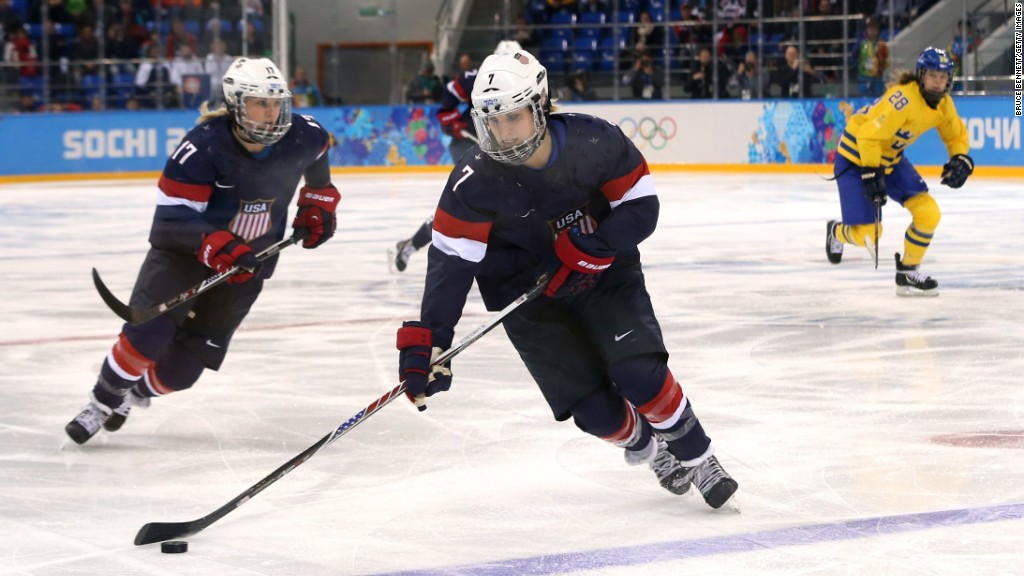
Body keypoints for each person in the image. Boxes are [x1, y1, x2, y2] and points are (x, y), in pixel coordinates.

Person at [395, 49, 739, 508]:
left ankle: (699, 457)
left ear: (540, 104)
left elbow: (641, 203)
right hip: (526, 297)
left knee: (637, 373)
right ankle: (648, 447)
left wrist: (595, 248)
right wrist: (432, 339)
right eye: (491, 120)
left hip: (603, 275)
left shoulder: (592, 142)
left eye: (512, 117)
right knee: (594, 411)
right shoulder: (473, 181)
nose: (501, 132)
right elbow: (451, 264)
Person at [64, 57, 339, 444]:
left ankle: (133, 394)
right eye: (261, 103)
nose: (273, 113)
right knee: (146, 339)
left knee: (181, 373)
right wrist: (220, 247)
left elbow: (318, 168)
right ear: (236, 103)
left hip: (247, 267)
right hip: (184, 258)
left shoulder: (304, 135)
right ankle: (101, 401)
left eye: (277, 103)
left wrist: (317, 203)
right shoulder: (202, 148)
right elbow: (169, 224)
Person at [825, 47, 972, 297]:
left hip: (890, 160)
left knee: (928, 213)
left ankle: (907, 271)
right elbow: (868, 136)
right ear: (921, 75)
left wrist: (961, 157)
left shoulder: (944, 104)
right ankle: (835, 232)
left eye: (943, 76)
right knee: (868, 235)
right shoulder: (902, 99)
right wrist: (871, 172)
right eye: (933, 75)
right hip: (856, 159)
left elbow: (955, 134)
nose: (938, 82)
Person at [388, 40, 522, 273]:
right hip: (470, 144)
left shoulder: (525, 79)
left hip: (501, 148)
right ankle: (412, 245)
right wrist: (453, 123)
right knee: (465, 201)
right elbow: (448, 100)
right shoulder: (477, 78)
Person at [855, 17, 888, 97]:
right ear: (867, 30)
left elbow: (886, 60)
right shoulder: (861, 42)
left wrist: (881, 66)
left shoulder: (882, 43)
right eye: (870, 29)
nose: (872, 31)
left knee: (878, 99)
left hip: (877, 76)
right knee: (862, 98)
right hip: (863, 75)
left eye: (874, 29)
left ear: (877, 30)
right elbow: (854, 54)